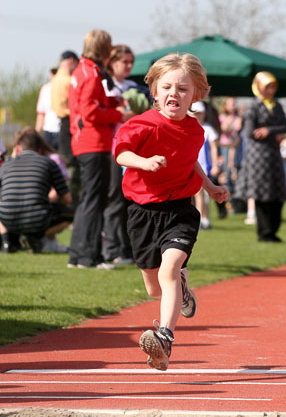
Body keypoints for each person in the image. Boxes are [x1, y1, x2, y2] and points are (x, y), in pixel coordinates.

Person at [114, 52, 229, 371]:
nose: (173, 94)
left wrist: (209, 186)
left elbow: (190, 159)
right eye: (166, 87)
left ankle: (164, 338)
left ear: (196, 94)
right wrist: (144, 162)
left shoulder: (196, 131)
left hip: (179, 209)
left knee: (168, 272)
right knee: (155, 286)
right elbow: (121, 154)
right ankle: (183, 289)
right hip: (142, 211)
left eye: (182, 89)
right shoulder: (140, 124)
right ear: (154, 90)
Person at [67, 29, 129, 270]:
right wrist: (119, 114)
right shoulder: (92, 73)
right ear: (104, 48)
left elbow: (93, 103)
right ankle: (89, 257)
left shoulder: (82, 69)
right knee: (95, 200)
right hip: (94, 142)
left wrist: (114, 102)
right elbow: (91, 112)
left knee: (88, 199)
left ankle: (78, 254)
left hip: (84, 141)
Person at [101, 44, 150, 265]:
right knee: (114, 200)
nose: (129, 66)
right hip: (112, 148)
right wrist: (127, 112)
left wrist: (130, 113)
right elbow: (114, 115)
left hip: (135, 148)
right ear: (112, 62)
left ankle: (130, 248)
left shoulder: (133, 86)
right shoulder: (105, 85)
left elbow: (145, 110)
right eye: (124, 62)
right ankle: (112, 249)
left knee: (132, 199)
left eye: (131, 61)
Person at [0, 127, 73, 254]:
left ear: (18, 148)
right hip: (38, 219)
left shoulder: (6, 165)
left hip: (7, 219)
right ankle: (35, 237)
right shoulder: (49, 163)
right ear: (40, 149)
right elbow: (67, 198)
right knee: (72, 214)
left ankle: (6, 242)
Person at [234, 71, 286, 242]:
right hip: (258, 156)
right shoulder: (253, 106)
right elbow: (250, 132)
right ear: (259, 88)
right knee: (262, 193)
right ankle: (264, 232)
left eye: (273, 87)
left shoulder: (276, 105)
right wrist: (274, 132)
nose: (271, 90)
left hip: (273, 154)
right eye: (268, 87)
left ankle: (273, 230)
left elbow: (284, 127)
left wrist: (268, 131)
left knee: (277, 192)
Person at [51, 50, 80, 208]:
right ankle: (72, 206)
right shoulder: (69, 80)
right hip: (70, 123)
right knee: (73, 168)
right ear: (71, 60)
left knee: (69, 165)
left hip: (62, 124)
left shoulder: (55, 79)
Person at [191, 100, 220, 229]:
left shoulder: (208, 129)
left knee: (203, 194)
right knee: (199, 194)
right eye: (196, 113)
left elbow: (213, 148)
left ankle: (204, 219)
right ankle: (202, 219)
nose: (198, 116)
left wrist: (215, 165)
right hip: (192, 166)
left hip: (205, 166)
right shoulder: (189, 129)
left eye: (200, 113)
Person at [35, 65, 61, 149]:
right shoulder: (45, 89)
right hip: (48, 132)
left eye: (56, 72)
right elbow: (41, 114)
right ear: (50, 74)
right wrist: (36, 135)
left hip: (63, 131)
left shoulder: (68, 86)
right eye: (53, 72)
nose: (55, 75)